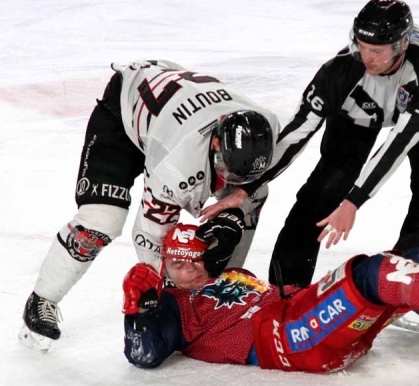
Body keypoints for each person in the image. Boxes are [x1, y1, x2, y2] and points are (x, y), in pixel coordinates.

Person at [202, 0, 419, 335]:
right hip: (358, 110)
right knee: (323, 188)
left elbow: (398, 144)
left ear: (400, 46)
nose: (368, 57)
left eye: (378, 51)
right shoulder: (339, 71)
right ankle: (286, 290)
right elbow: (297, 132)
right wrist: (248, 186)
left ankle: (411, 280)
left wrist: (353, 202)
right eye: (362, 46)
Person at [19, 60, 280, 352]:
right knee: (101, 221)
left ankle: (219, 286)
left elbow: (275, 163)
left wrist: (242, 197)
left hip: (173, 112)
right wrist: (169, 294)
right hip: (124, 114)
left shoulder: (269, 124)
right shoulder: (177, 166)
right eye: (225, 170)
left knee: (253, 196)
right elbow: (150, 236)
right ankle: (42, 299)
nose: (229, 182)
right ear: (217, 143)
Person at [122, 223, 419, 378]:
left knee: (417, 259)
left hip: (305, 322)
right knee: (370, 273)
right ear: (165, 265)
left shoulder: (232, 275)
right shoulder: (171, 306)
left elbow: (276, 296)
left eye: (195, 259)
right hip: (290, 341)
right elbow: (144, 355)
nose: (191, 269)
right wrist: (136, 308)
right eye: (179, 263)